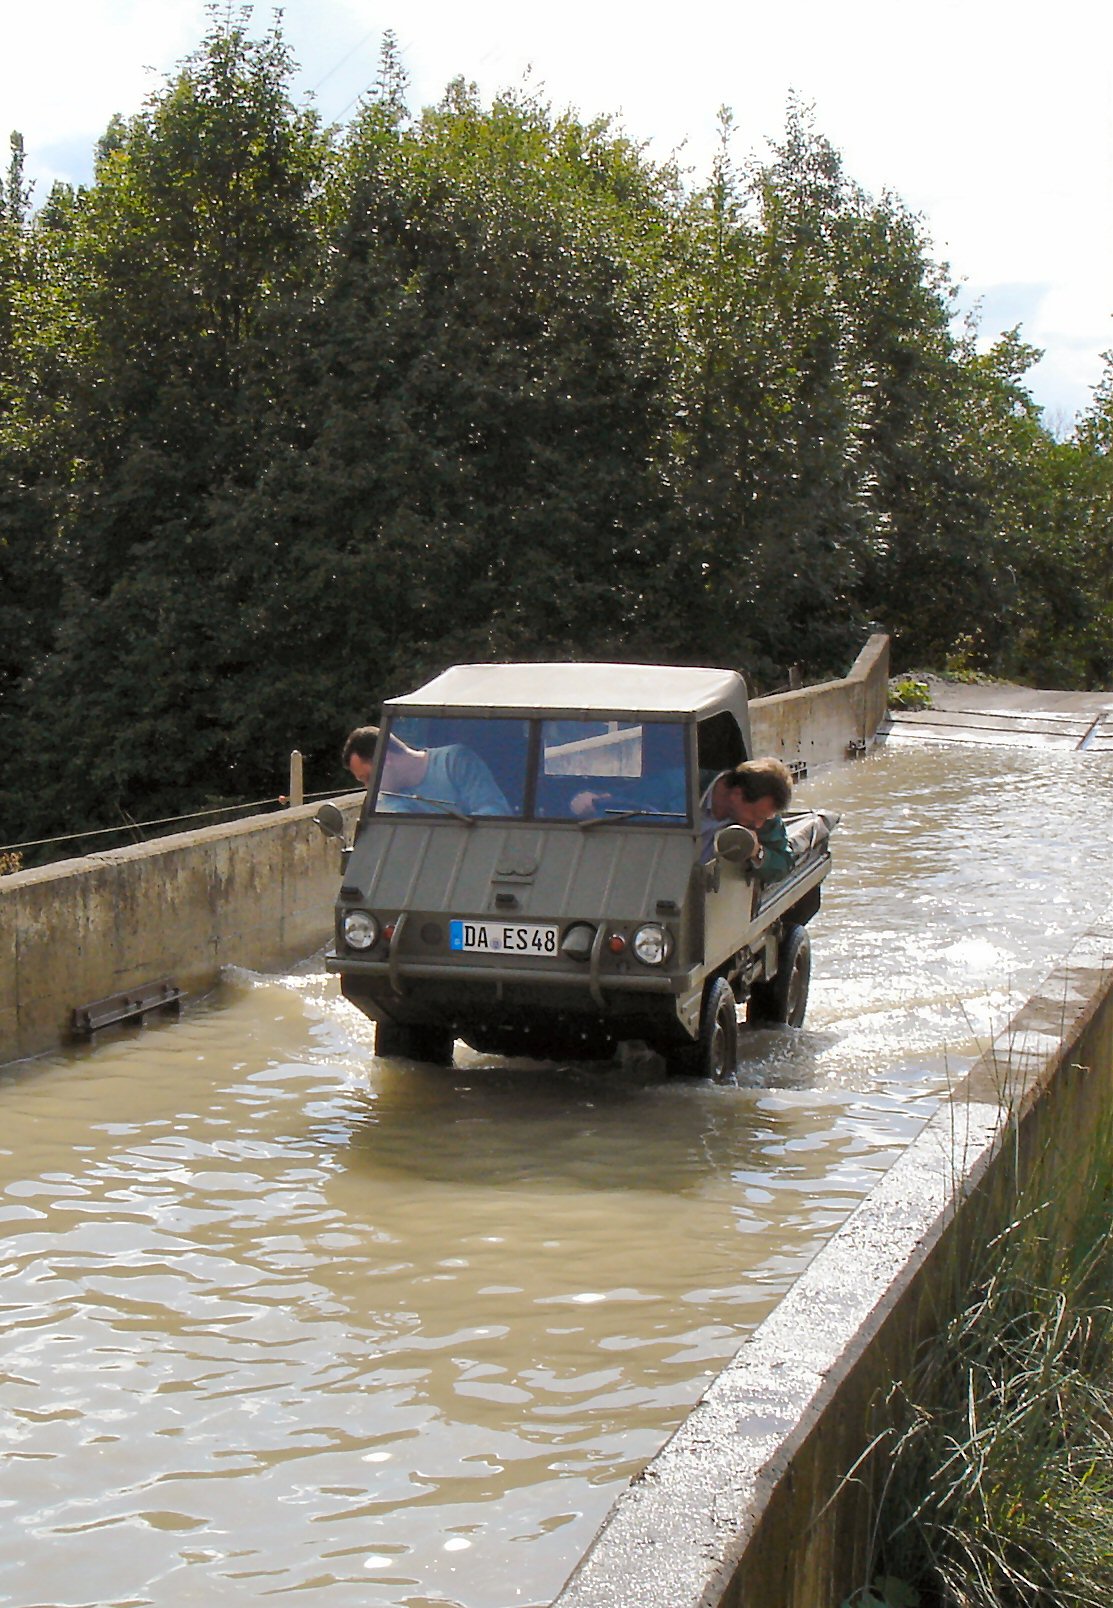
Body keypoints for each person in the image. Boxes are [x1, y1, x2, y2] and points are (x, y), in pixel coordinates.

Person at [341, 725, 511, 817]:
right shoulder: (387, 798)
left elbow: (495, 813)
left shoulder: (454, 761)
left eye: (369, 778)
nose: (369, 788)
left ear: (386, 759)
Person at [700, 757, 795, 882]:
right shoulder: (683, 785)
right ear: (737, 794)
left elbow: (784, 864)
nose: (759, 825)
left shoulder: (765, 818)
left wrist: (756, 851)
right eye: (757, 815)